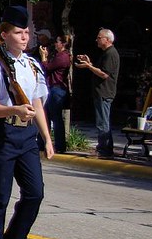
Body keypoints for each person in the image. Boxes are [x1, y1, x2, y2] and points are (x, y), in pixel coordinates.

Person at [0, 6, 55, 239]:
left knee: (35, 193)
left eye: (26, 32)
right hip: (4, 136)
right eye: (18, 33)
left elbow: (36, 102)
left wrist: (46, 137)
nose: (24, 37)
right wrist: (14, 110)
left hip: (26, 137)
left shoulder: (32, 64)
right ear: (3, 35)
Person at [75, 28, 120, 158]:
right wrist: (89, 63)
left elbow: (104, 74)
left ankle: (104, 149)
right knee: (103, 121)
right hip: (100, 92)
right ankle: (106, 148)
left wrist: (89, 67)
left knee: (103, 122)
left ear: (107, 39)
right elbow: (101, 69)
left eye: (99, 38)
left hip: (105, 92)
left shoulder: (111, 53)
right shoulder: (106, 53)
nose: (97, 40)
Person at [39, 34, 73, 153]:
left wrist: (43, 57)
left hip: (56, 89)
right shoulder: (58, 55)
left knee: (55, 117)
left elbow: (47, 67)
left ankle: (60, 145)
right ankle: (43, 142)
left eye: (57, 41)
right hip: (52, 88)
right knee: (46, 116)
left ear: (63, 44)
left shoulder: (63, 57)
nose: (55, 44)